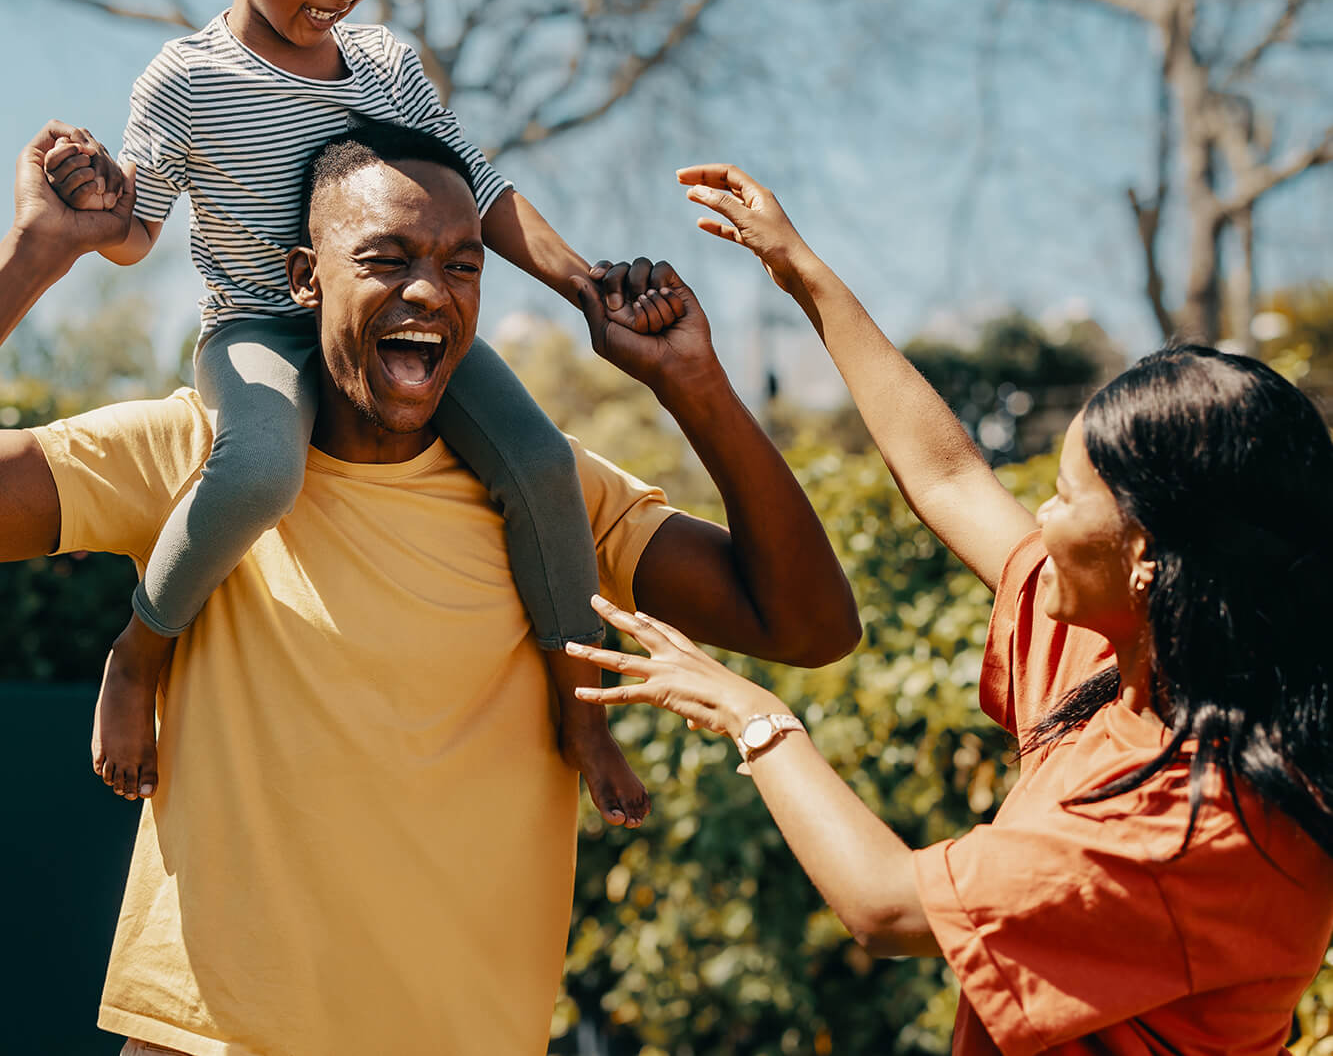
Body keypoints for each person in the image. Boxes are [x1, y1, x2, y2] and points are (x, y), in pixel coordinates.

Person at [0, 123, 859, 1055]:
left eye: (463, 265)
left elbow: (807, 624)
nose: (428, 291)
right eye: (384, 257)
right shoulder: (196, 456)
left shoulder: (550, 496)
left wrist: (693, 384)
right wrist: (34, 256)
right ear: (304, 276)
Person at [568, 162, 1333, 1054]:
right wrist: (800, 270)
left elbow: (885, 904)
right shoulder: (1120, 667)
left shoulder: (1205, 827)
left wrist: (753, 713)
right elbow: (947, 474)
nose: (1035, 518)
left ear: (1146, 557)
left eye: (1061, 495)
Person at [41, 0, 660, 826]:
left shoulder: (384, 65)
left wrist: (580, 283)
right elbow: (137, 233)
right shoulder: (188, 79)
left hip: (388, 330)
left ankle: (581, 705)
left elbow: (484, 187)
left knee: (538, 460)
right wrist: (94, 198)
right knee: (256, 472)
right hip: (261, 331)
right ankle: (139, 651)